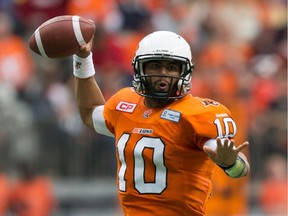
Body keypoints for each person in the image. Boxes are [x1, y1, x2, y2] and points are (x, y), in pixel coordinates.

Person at [73, 30, 250, 216]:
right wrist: (82, 59)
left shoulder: (196, 114)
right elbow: (89, 112)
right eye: (155, 66)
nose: (163, 74)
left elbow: (240, 168)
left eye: (172, 67)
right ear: (140, 68)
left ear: (185, 71)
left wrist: (230, 163)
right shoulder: (125, 104)